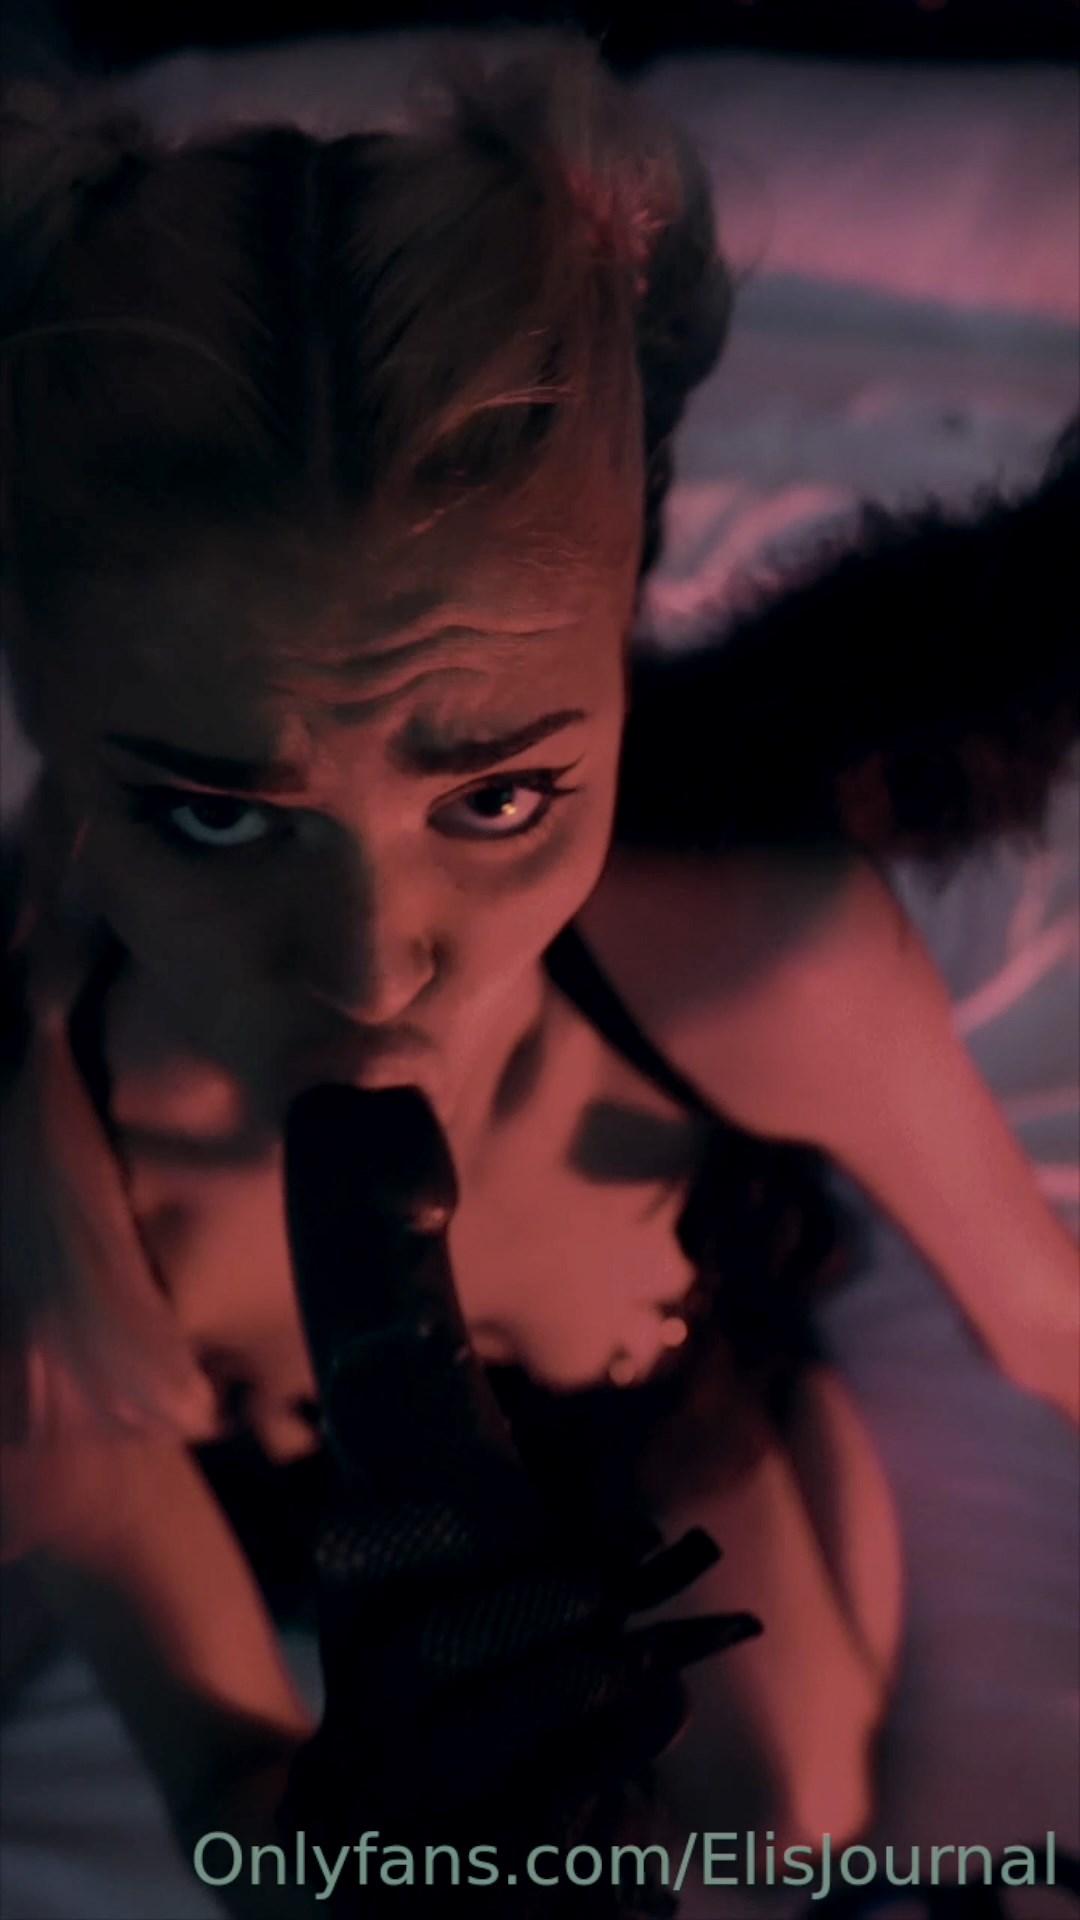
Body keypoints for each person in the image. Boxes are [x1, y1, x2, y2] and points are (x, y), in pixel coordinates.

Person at [0, 39, 1076, 1920]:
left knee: (784, 1839)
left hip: (663, 1420)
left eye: (497, 795)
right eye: (218, 815)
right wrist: (362, 1849)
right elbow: (235, 1800)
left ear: (621, 639)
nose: (369, 966)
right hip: (282, 1524)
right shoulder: (48, 1218)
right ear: (39, 702)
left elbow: (1046, 1317)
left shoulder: (759, 970)